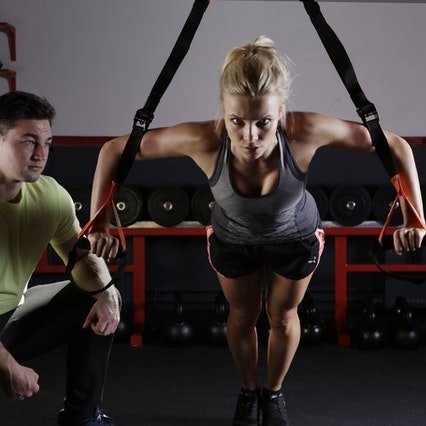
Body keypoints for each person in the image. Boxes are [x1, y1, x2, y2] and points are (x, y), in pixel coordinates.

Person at [88, 36, 425, 426]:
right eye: (237, 121)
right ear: (224, 111)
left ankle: (274, 393)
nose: (250, 136)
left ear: (280, 111)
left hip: (296, 237)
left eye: (263, 122)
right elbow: (114, 150)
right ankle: (249, 393)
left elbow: (395, 146)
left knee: (282, 317)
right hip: (234, 239)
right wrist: (99, 219)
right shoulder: (204, 139)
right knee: (242, 315)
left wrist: (414, 216)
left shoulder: (304, 130)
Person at [0, 91, 121, 426]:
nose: (41, 154)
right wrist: (8, 366)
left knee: (97, 294)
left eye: (48, 143)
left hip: (10, 314)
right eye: (28, 141)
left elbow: (80, 259)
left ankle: (83, 418)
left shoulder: (50, 194)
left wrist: (108, 295)